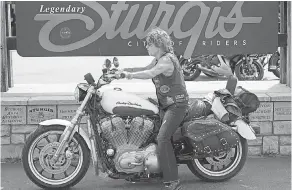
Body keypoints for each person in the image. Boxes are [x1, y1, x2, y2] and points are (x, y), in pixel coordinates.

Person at [120, 27, 189, 190]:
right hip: (165, 104)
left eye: (148, 44)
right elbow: (144, 69)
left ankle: (172, 180)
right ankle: (147, 167)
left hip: (176, 106)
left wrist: (128, 76)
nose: (146, 46)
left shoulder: (166, 60)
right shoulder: (159, 59)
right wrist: (122, 71)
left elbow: (150, 73)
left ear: (157, 45)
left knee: (162, 138)